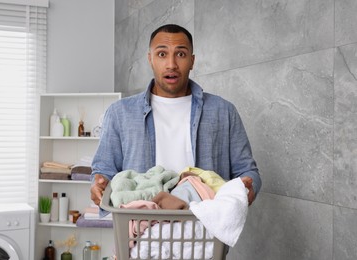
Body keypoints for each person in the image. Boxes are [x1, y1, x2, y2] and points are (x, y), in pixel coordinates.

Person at [90, 24, 261, 207]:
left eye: (180, 54)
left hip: (204, 228)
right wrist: (99, 185)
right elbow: (103, 171)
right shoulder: (119, 113)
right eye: (162, 54)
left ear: (192, 61)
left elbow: (247, 171)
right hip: (141, 227)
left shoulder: (223, 111)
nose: (171, 64)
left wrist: (248, 187)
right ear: (150, 59)